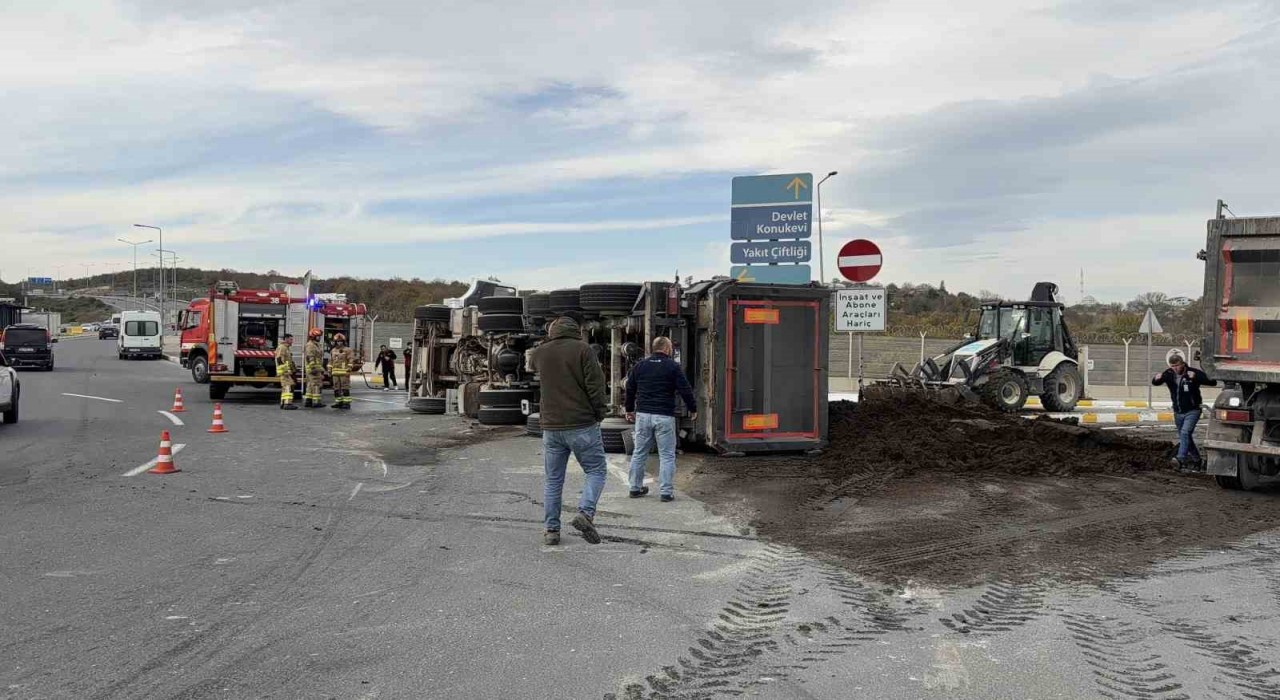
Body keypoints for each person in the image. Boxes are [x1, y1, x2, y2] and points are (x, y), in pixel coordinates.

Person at [529, 312, 608, 546]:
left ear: (552, 331)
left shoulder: (540, 352)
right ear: (575, 331)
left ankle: (551, 530)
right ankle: (585, 513)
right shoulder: (583, 350)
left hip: (551, 426)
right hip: (581, 423)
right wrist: (599, 413)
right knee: (596, 470)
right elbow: (595, 385)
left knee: (553, 480)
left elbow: (534, 371)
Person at [625, 337, 697, 501]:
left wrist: (629, 409)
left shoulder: (640, 366)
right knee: (666, 455)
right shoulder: (672, 366)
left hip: (643, 416)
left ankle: (635, 488)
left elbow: (630, 389)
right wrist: (692, 408)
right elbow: (685, 389)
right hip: (664, 416)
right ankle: (666, 492)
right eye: (670, 347)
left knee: (639, 452)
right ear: (666, 348)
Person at [1153, 352, 1217, 471]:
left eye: (1177, 365)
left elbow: (1212, 382)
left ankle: (1180, 458)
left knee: (1185, 433)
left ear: (1182, 364)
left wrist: (1196, 377)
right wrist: (1156, 378)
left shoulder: (1192, 372)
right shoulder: (1168, 374)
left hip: (1193, 410)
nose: (1175, 368)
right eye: (1172, 366)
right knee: (1186, 437)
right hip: (1178, 412)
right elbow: (1156, 382)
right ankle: (1197, 460)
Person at [329, 333, 355, 410]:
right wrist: (329, 370)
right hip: (335, 373)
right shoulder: (333, 350)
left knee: (345, 388)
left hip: (344, 372)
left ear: (343, 342)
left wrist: (349, 368)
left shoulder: (348, 350)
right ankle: (338, 402)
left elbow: (351, 359)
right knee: (336, 388)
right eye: (337, 341)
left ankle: (346, 403)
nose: (339, 343)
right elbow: (330, 361)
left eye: (341, 341)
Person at [274, 334, 298, 410]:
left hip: (286, 371)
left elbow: (288, 361)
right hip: (284, 372)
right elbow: (279, 359)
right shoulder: (282, 348)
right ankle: (287, 403)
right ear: (286, 339)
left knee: (286, 386)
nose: (292, 341)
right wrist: (285, 370)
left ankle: (283, 403)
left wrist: (293, 369)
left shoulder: (286, 348)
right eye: (291, 339)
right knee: (288, 386)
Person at [303, 328, 326, 408]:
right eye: (317, 336)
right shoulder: (311, 345)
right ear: (313, 336)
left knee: (310, 385)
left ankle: (308, 401)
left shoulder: (315, 345)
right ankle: (316, 402)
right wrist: (313, 368)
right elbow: (310, 357)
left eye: (319, 336)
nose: (319, 338)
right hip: (313, 369)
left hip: (314, 368)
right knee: (316, 385)